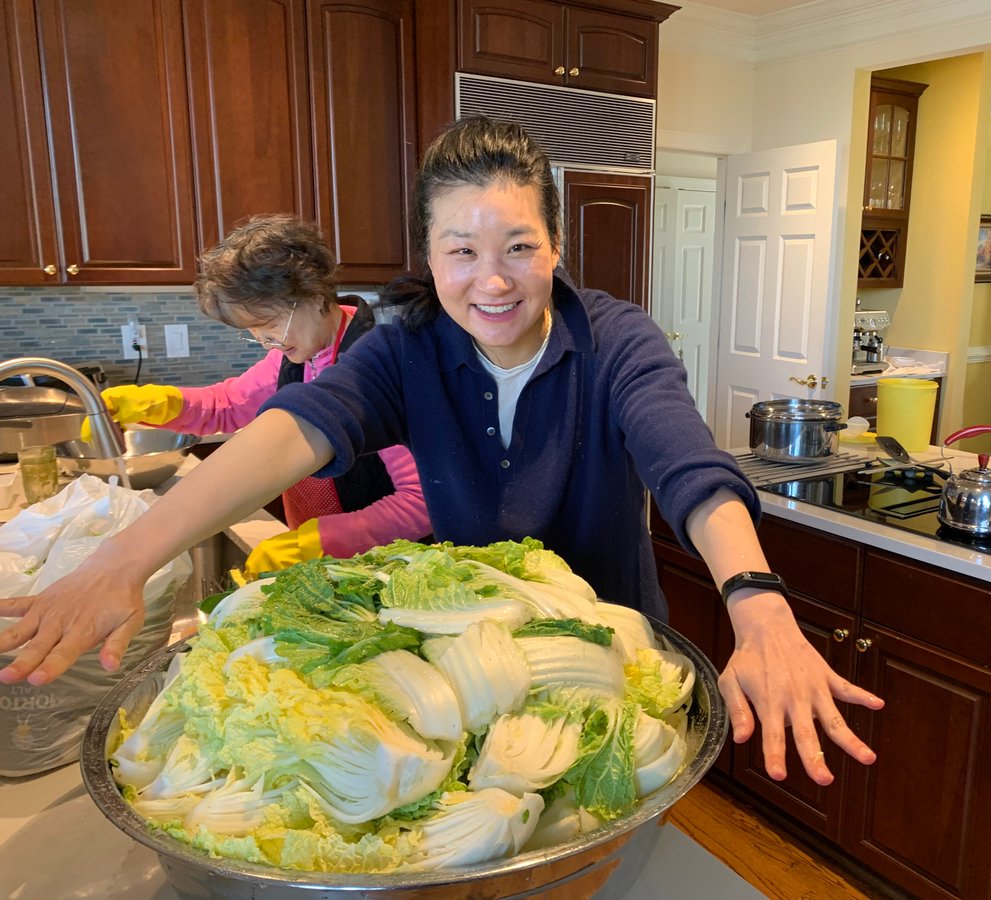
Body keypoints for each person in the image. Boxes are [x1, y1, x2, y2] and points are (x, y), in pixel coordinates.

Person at [0, 117, 882, 786]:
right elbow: (299, 425)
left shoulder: (618, 341)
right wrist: (128, 555)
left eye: (519, 247)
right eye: (461, 250)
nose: (490, 280)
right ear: (428, 254)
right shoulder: (404, 346)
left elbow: (687, 466)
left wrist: (758, 605)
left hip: (613, 675)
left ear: (556, 247)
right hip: (476, 682)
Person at [84, 215, 431, 577]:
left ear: (313, 295)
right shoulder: (295, 356)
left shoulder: (378, 367)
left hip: (390, 569)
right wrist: (160, 403)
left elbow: (419, 502)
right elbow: (229, 405)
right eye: (253, 331)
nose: (266, 341)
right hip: (331, 566)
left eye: (269, 325)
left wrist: (320, 541)